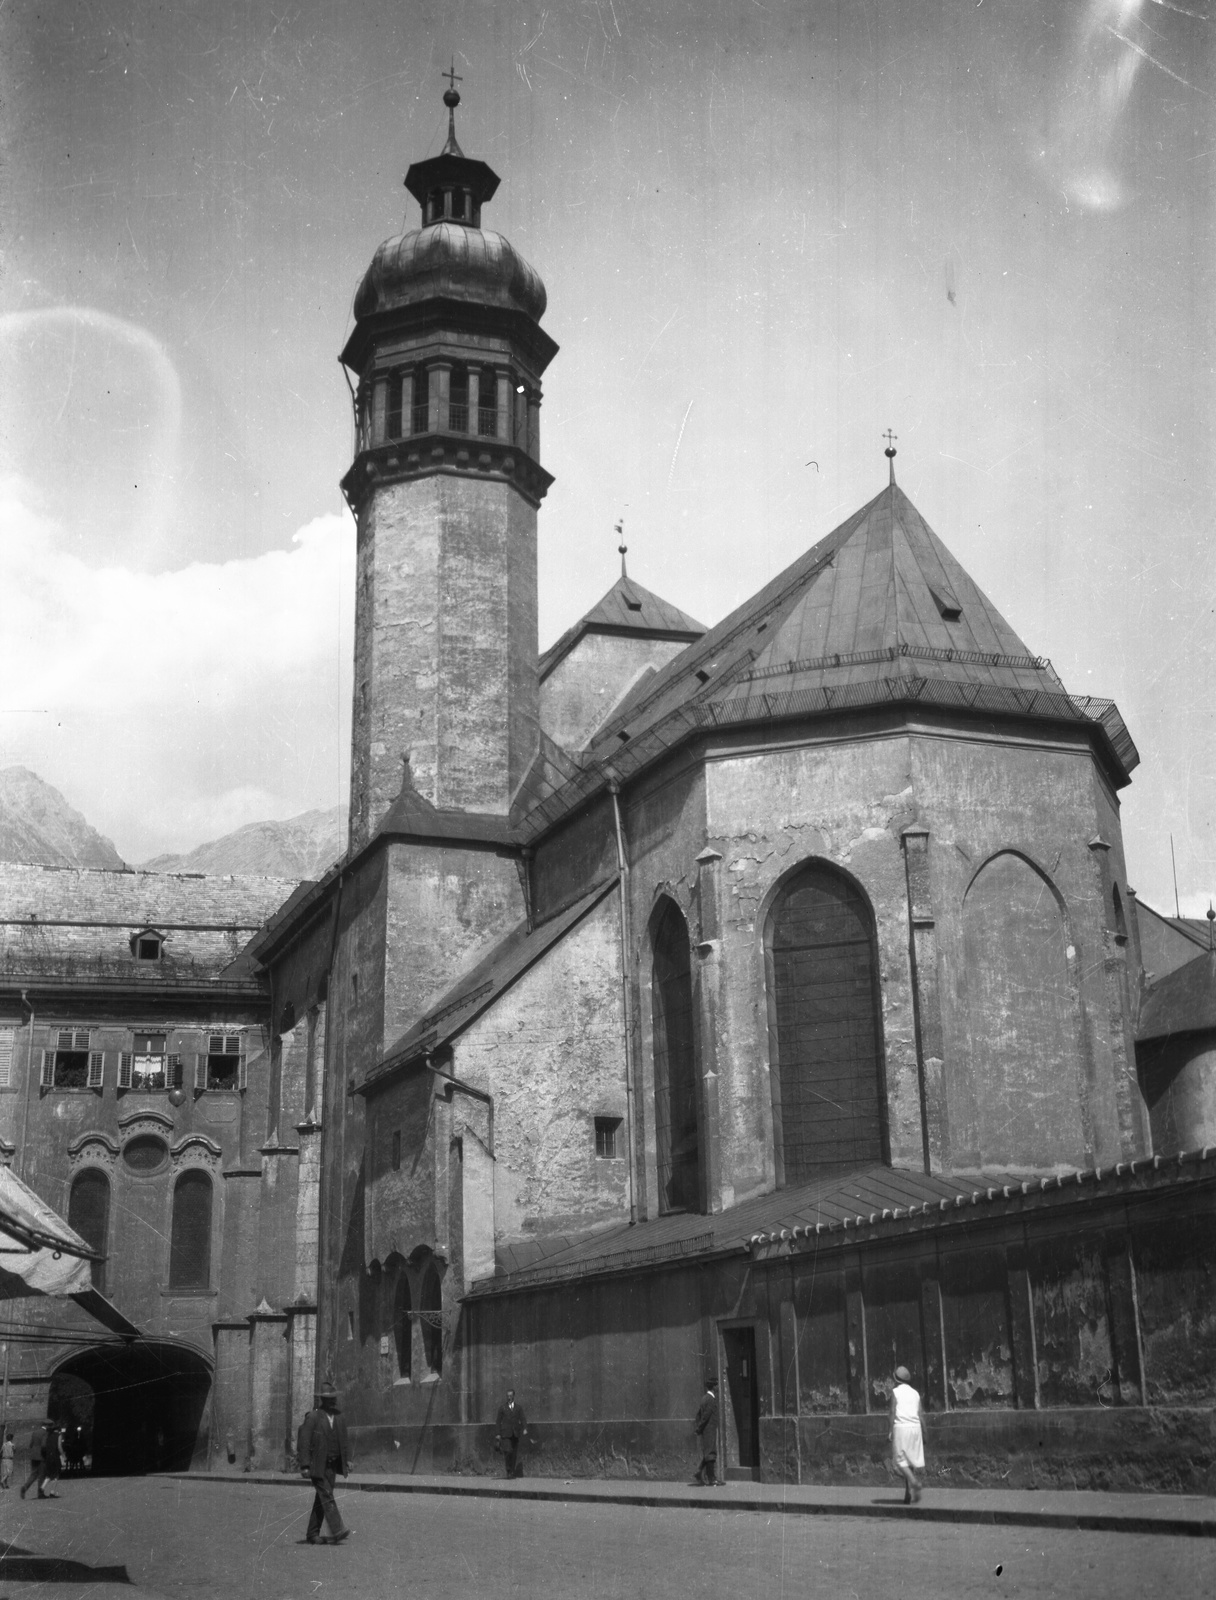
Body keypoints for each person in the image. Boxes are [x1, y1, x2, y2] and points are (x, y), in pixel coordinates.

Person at [301, 1384, 352, 1545]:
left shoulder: (339, 1417)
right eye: (329, 1399)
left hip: (332, 1465)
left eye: (334, 1399)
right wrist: (304, 1465)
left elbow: (345, 1440)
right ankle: (338, 1529)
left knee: (322, 1499)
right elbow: (304, 1441)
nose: (332, 1402)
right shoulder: (314, 1417)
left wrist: (348, 1459)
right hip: (317, 1466)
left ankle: (312, 1533)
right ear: (323, 1400)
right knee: (327, 1496)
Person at [889, 1365, 925, 1505]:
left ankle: (915, 1483)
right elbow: (921, 1414)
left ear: (896, 1380)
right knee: (909, 1463)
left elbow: (892, 1412)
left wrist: (890, 1431)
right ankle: (908, 1493)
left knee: (899, 1461)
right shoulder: (915, 1393)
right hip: (915, 1428)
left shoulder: (895, 1392)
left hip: (901, 1428)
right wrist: (925, 1432)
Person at [495, 1389, 528, 1478]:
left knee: (514, 1453)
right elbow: (498, 1421)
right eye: (507, 1396)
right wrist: (498, 1433)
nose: (509, 1398)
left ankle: (512, 1472)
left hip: (515, 1434)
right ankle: (508, 1470)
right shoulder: (502, 1408)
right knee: (508, 1451)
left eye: (510, 1396)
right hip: (506, 1434)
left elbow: (523, 1418)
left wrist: (525, 1428)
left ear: (513, 1396)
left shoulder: (518, 1408)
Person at [692, 1380, 719, 1486]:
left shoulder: (704, 1398)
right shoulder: (711, 1399)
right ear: (713, 1387)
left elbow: (698, 1415)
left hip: (706, 1430)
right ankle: (711, 1479)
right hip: (709, 1430)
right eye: (717, 1385)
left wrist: (699, 1428)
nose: (718, 1388)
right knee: (711, 1453)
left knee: (708, 1452)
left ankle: (700, 1473)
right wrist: (699, 1428)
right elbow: (705, 1416)